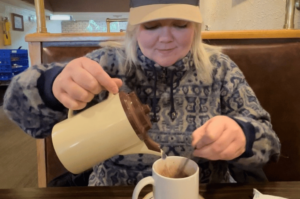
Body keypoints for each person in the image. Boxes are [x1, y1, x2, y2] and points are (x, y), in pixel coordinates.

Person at [3, 0, 280, 186]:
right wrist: (52, 86)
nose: (166, 37)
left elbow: (269, 143)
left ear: (195, 28)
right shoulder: (108, 64)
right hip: (112, 190)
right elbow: (17, 107)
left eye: (180, 25)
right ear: (134, 29)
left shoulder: (219, 69)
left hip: (202, 190)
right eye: (152, 25)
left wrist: (243, 136)